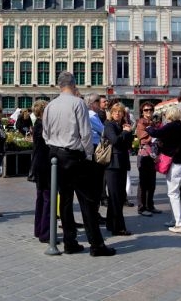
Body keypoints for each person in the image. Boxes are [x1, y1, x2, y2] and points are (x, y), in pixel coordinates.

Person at [43, 71, 116, 257]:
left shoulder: (50, 105)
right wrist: (89, 155)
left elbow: (45, 134)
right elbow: (85, 133)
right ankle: (96, 244)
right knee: (87, 200)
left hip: (55, 156)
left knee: (65, 200)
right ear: (74, 85)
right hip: (75, 155)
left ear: (59, 85)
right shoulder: (78, 103)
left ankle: (70, 242)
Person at [146, 106, 181, 234]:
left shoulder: (172, 125)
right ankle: (174, 220)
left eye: (165, 114)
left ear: (170, 115)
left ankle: (179, 224)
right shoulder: (179, 126)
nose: (164, 116)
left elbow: (156, 133)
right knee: (173, 192)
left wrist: (148, 127)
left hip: (177, 163)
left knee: (173, 193)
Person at [103, 103, 134, 236]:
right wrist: (125, 132)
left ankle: (111, 224)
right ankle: (118, 227)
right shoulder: (109, 125)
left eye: (120, 112)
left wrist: (128, 132)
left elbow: (128, 145)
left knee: (119, 196)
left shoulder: (123, 125)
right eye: (114, 111)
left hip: (121, 163)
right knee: (115, 196)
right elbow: (115, 141)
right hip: (112, 164)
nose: (117, 114)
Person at [135, 102, 162, 216]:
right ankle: (141, 207)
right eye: (146, 110)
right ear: (142, 111)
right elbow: (143, 139)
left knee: (152, 182)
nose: (148, 112)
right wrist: (154, 135)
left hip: (154, 155)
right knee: (143, 182)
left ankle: (150, 205)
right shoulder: (141, 123)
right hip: (145, 155)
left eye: (150, 110)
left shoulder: (153, 123)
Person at [85, 93, 106, 224]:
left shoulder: (93, 115)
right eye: (98, 102)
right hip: (95, 149)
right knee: (96, 184)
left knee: (96, 184)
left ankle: (94, 212)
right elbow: (103, 131)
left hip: (94, 148)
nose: (100, 104)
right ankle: (93, 213)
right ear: (92, 104)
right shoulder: (91, 116)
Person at [30, 100, 50, 242]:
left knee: (41, 198)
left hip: (38, 164)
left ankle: (39, 229)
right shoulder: (43, 125)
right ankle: (45, 232)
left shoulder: (37, 124)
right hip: (45, 165)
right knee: (47, 199)